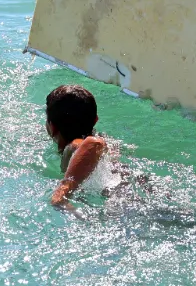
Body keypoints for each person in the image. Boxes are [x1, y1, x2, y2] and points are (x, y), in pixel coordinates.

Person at [45, 83, 141, 215]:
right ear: (95, 120)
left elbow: (94, 143)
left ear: (52, 127)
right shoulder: (108, 141)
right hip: (136, 195)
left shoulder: (73, 146)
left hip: (127, 205)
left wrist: (62, 192)